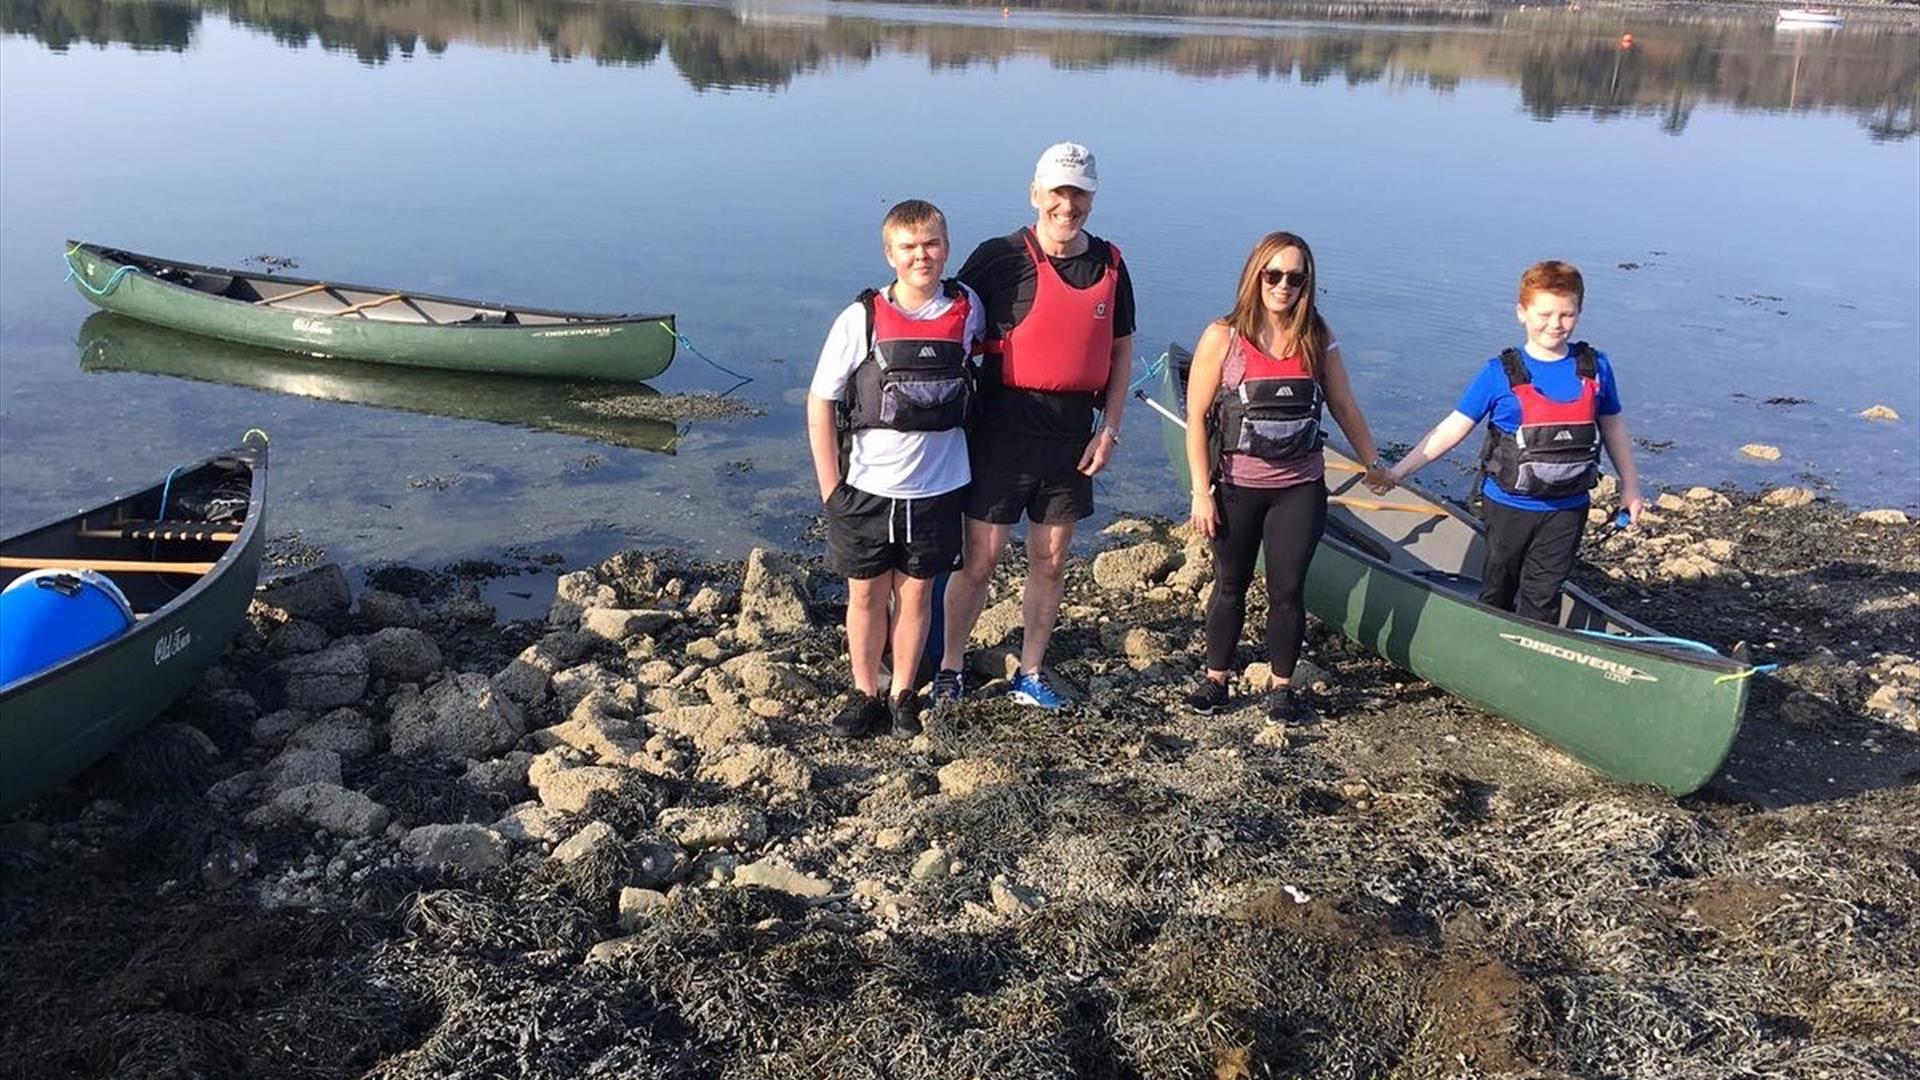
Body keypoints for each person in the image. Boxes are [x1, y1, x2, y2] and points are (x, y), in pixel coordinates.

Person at [932, 142, 1136, 711]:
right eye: (1057, 192)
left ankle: (1033, 671)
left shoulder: (1111, 264)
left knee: (1050, 560)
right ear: (1035, 194)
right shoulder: (1000, 257)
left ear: (1091, 198)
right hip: (1000, 431)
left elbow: (1121, 351)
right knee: (981, 560)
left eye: (1078, 193)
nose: (1066, 205)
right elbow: (948, 321)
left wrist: (1110, 429)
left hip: (1071, 438)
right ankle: (950, 667)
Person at [1182, 232, 1393, 723]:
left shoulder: (1316, 336)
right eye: (1272, 275)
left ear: (1306, 284)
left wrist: (1372, 462)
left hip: (1299, 488)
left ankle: (1281, 688)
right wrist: (1200, 492)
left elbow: (1342, 404)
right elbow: (1196, 418)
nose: (1282, 286)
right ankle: (1217, 680)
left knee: (1287, 590)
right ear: (1255, 276)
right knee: (1230, 584)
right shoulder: (1224, 336)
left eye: (1295, 278)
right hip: (1236, 487)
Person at [807, 199, 984, 738]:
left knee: (914, 595)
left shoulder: (969, 307)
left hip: (938, 487)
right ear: (890, 255)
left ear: (946, 248)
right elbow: (820, 401)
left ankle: (905, 693)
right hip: (866, 489)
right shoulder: (859, 319)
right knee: (864, 594)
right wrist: (830, 489)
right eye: (908, 247)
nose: (921, 256)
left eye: (930, 244)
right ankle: (866, 694)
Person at [1386, 260, 1645, 622]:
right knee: (1498, 590)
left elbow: (1614, 426)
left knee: (1543, 593)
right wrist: (1398, 472)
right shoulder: (1498, 374)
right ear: (1521, 313)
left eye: (1566, 314)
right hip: (1508, 507)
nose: (1555, 324)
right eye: (1544, 314)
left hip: (1567, 509)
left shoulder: (1595, 367)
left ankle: (1529, 662)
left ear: (1579, 313)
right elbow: (1451, 429)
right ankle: (1487, 646)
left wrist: (1630, 487)